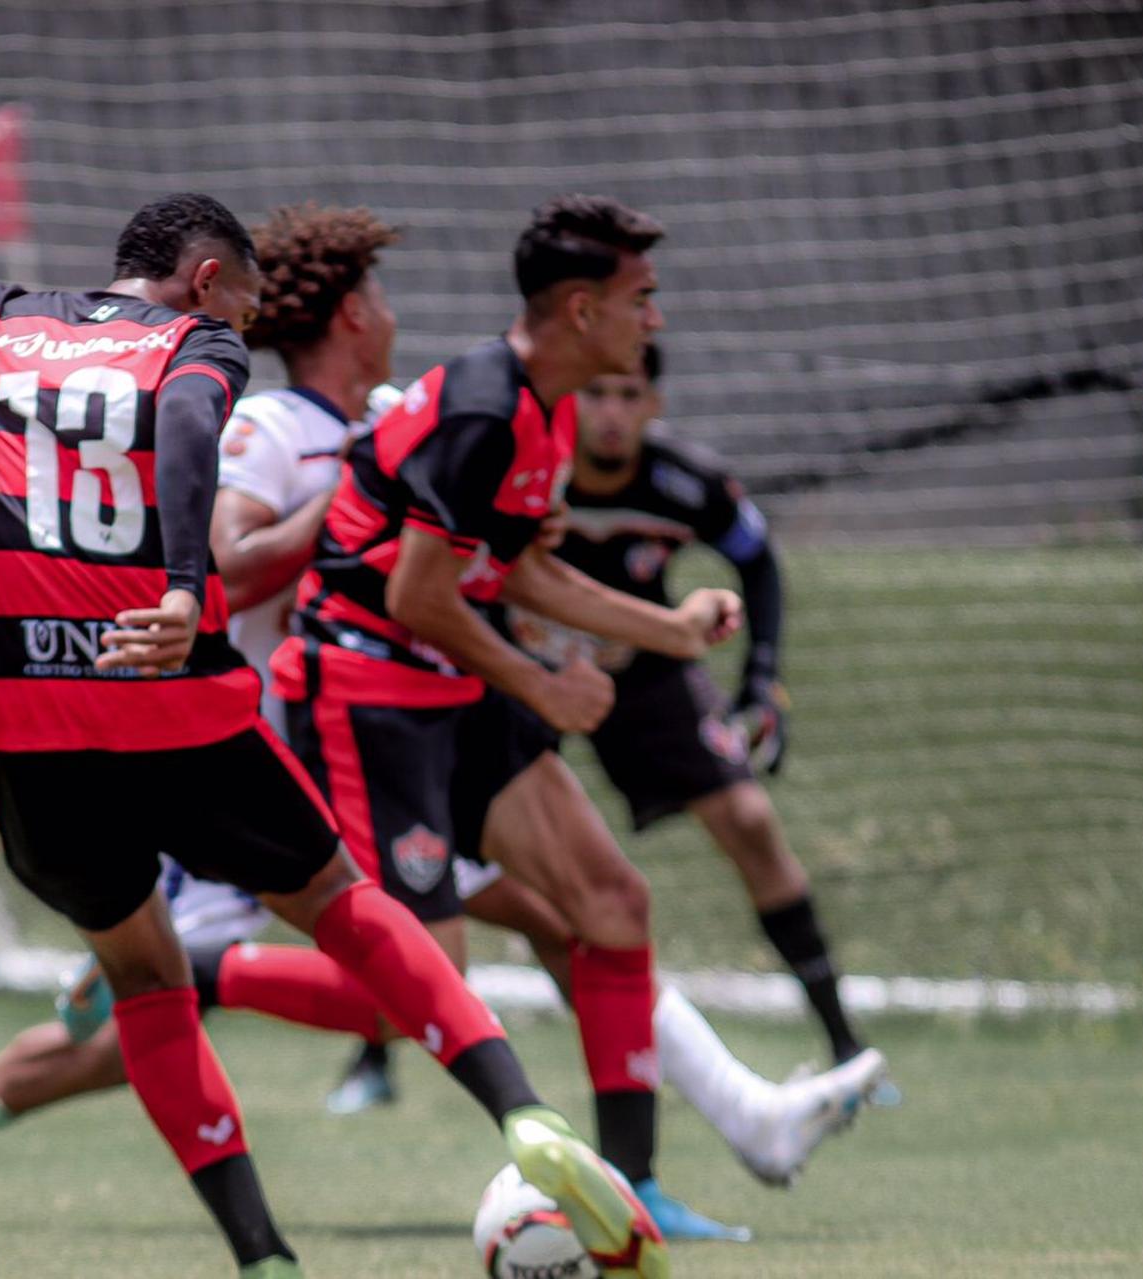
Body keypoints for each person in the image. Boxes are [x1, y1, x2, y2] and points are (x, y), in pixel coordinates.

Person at [0, 204, 881, 1252]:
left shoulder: (437, 416)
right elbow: (232, 559)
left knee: (585, 907)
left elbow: (477, 558)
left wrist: (626, 620)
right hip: (244, 734)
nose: (391, 314)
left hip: (407, 719)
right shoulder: (273, 426)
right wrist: (359, 492)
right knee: (194, 1009)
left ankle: (693, 1141)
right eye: (376, 296)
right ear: (347, 319)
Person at [262, 193, 763, 1238]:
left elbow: (521, 569)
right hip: (364, 688)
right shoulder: (486, 410)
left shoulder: (547, 408)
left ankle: (635, 1188)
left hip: (451, 683)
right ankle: (197, 970)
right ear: (583, 310)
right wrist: (541, 684)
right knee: (418, 990)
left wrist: (670, 628)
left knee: (613, 901)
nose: (655, 321)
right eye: (642, 300)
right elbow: (417, 596)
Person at [537, 342, 885, 1085]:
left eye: (629, 395)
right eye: (596, 392)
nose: (611, 413)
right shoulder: (534, 469)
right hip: (527, 668)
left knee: (752, 822)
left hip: (647, 668)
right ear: (571, 399)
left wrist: (763, 684)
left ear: (653, 404)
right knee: (490, 849)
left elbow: (756, 560)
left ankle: (846, 1045)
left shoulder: (684, 480)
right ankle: (377, 1045)